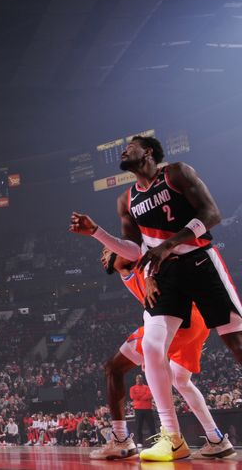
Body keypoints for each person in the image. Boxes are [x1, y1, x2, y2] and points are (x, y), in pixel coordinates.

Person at [70, 135, 242, 461]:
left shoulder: (176, 173)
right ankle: (174, 438)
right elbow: (134, 251)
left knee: (236, 343)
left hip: (201, 261)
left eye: (130, 145)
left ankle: (206, 438)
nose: (123, 150)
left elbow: (212, 214)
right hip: (166, 275)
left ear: (148, 152)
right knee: (152, 348)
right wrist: (96, 232)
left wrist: (167, 244)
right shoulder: (126, 200)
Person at [82, 247, 234, 460]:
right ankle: (216, 439)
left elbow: (131, 248)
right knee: (181, 381)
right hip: (196, 322)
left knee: (113, 368)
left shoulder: (138, 259)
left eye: (108, 250)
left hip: (179, 319)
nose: (104, 254)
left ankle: (122, 439)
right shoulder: (129, 272)